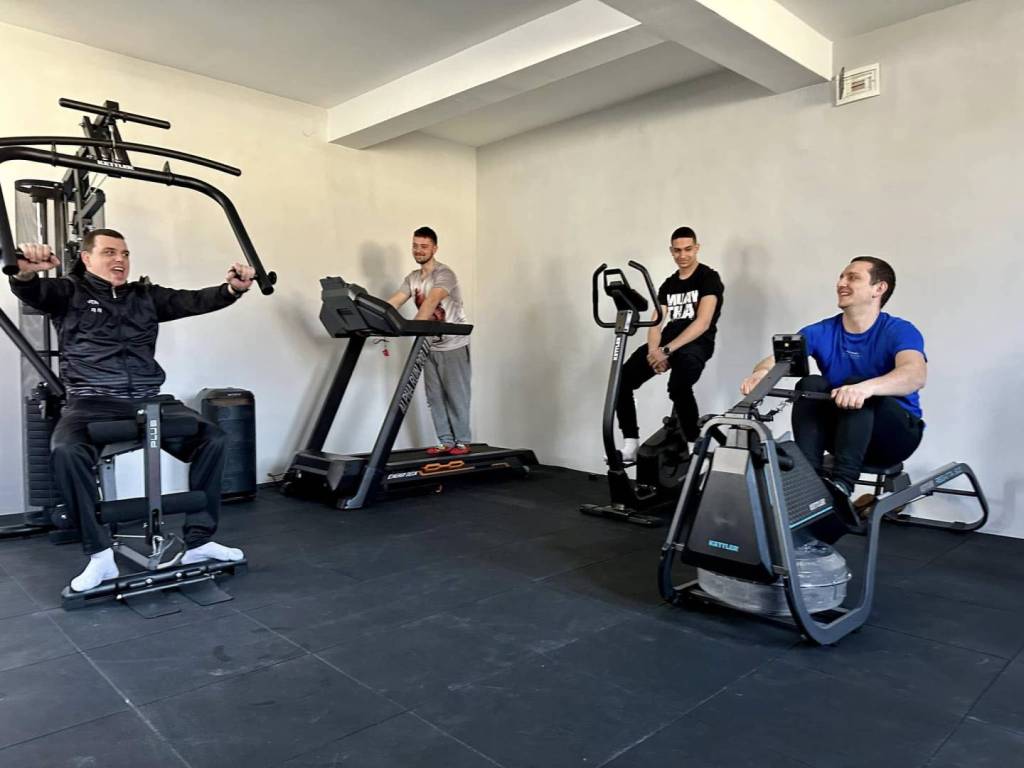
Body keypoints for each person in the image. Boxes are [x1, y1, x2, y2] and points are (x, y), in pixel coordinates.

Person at [9, 229, 253, 592]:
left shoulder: (145, 296)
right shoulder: (68, 292)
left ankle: (198, 542)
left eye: (124, 253)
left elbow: (194, 300)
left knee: (213, 438)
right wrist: (24, 273)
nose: (120, 259)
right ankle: (100, 555)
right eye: (109, 252)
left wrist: (232, 289)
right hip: (92, 401)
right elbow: (32, 291)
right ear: (87, 258)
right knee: (66, 450)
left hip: (147, 398)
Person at [740, 257, 927, 515]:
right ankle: (810, 482)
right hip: (844, 436)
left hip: (894, 438)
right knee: (811, 383)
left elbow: (915, 375)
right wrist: (762, 373)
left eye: (853, 277)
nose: (841, 283)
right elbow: (776, 360)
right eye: (841, 277)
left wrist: (866, 388)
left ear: (878, 288)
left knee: (855, 383)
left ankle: (842, 486)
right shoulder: (821, 331)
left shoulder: (899, 330)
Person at [616, 226, 724, 462]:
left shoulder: (708, 278)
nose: (682, 255)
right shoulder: (669, 284)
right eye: (677, 250)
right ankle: (630, 444)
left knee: (678, 386)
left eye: (687, 249)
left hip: (697, 343)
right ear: (671, 251)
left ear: (696, 248)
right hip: (668, 341)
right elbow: (656, 322)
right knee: (621, 381)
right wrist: (654, 352)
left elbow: (703, 322)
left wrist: (666, 350)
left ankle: (695, 446)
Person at [387, 226, 471, 456]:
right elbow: (394, 302)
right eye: (415, 246)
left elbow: (431, 302)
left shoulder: (445, 274)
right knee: (434, 397)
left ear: (434, 248)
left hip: (453, 344)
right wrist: (373, 315)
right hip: (429, 345)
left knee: (456, 395)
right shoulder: (412, 278)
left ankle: (462, 441)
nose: (419, 250)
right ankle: (445, 441)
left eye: (424, 246)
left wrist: (414, 327)